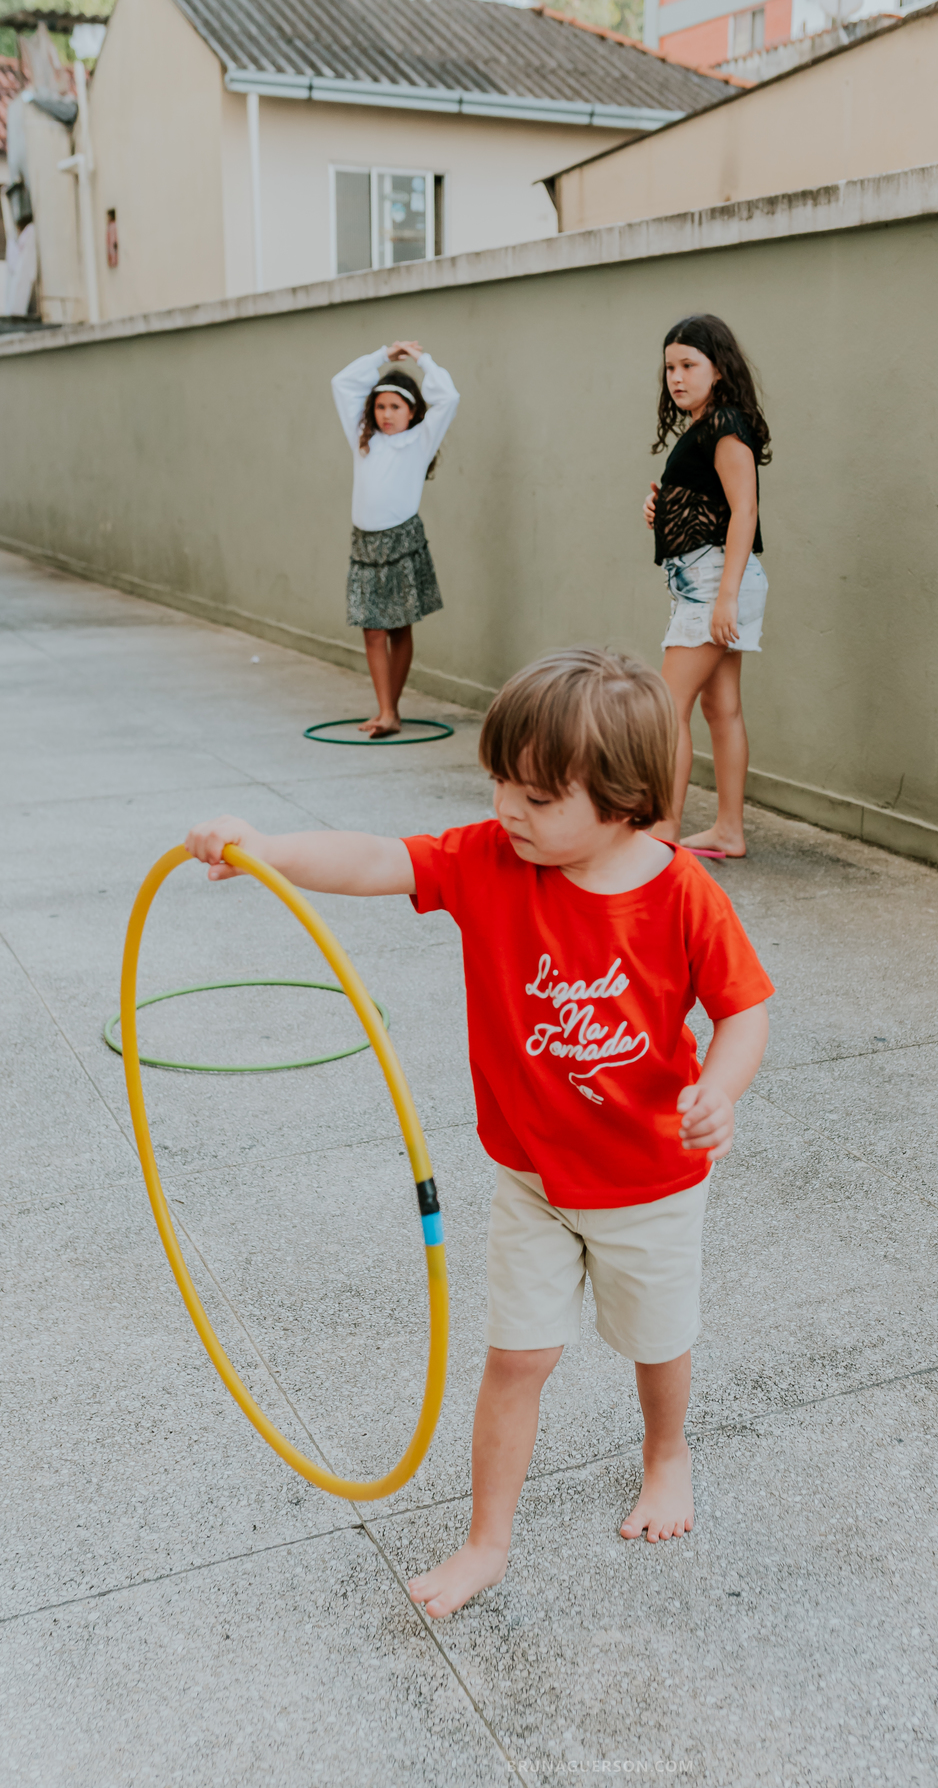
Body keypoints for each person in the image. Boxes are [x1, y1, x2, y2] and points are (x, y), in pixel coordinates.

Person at [184, 648, 771, 1619]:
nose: (507, 808)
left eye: (538, 797)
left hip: (649, 1183)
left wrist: (722, 1082)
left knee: (656, 1343)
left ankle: (667, 1455)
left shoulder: (679, 897)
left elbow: (744, 1009)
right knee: (516, 1360)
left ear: (623, 801)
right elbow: (380, 859)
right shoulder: (493, 863)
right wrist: (267, 848)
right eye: (498, 781)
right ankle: (485, 1541)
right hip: (533, 1181)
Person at [643, 314, 772, 860]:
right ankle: (727, 831)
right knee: (722, 710)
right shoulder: (707, 425)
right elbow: (712, 505)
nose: (677, 377)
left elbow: (745, 511)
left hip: (713, 582)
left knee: (667, 706)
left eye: (689, 365)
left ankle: (663, 830)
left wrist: (725, 598)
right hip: (707, 578)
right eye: (671, 367)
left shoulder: (724, 426)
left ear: (718, 369)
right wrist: (661, 507)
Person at [331, 340, 460, 736]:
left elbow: (449, 395)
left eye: (395, 407)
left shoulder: (420, 440)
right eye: (380, 406)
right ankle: (385, 709)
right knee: (372, 629)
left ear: (412, 411)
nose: (386, 414)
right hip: (365, 544)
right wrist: (384, 355)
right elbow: (342, 382)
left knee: (400, 627)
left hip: (401, 541)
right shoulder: (361, 437)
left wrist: (421, 359)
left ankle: (393, 711)